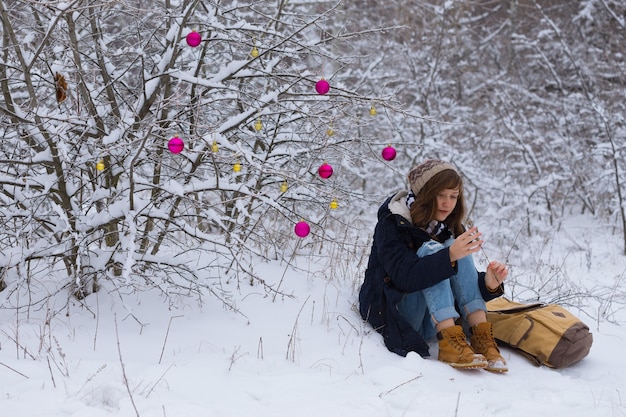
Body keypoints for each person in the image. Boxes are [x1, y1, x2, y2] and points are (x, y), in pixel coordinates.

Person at [358, 159, 509, 372]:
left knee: (452, 247)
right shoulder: (392, 223)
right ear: (425, 194)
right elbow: (405, 275)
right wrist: (448, 256)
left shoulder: (450, 227)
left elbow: (460, 284)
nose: (448, 203)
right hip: (397, 314)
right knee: (437, 251)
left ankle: (480, 337)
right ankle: (449, 346)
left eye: (453, 196)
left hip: (433, 320)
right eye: (441, 195)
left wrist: (487, 284)